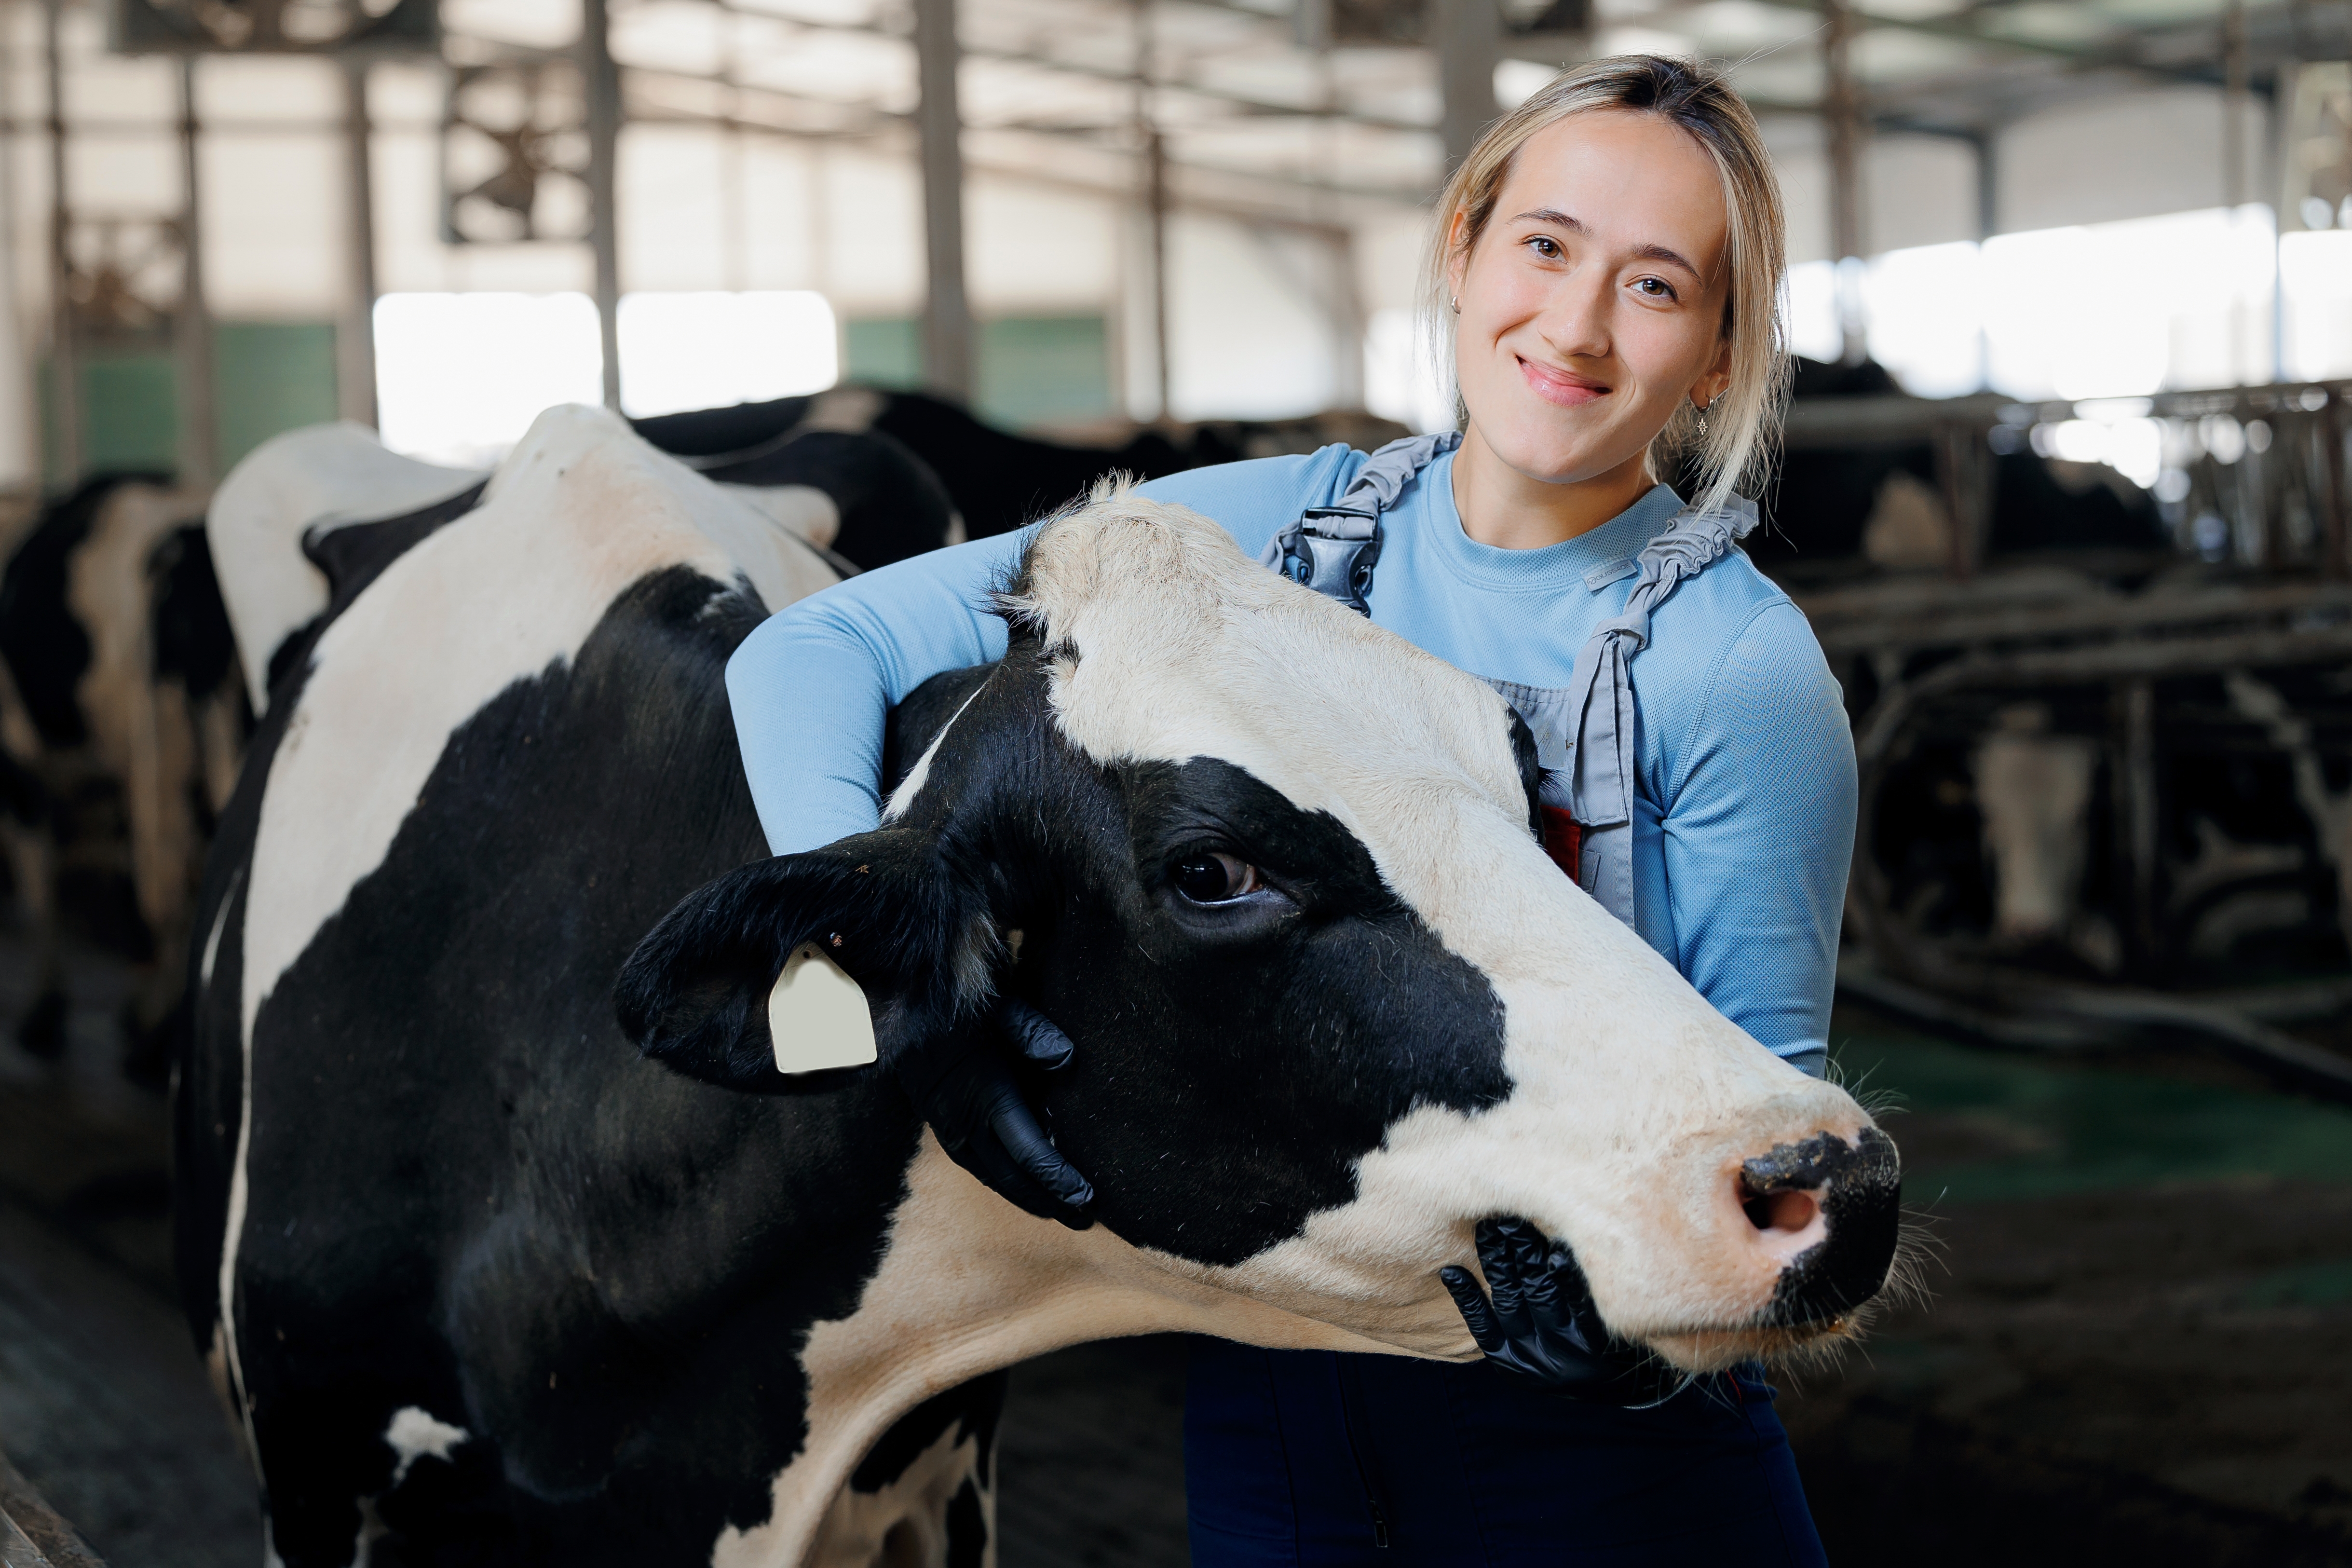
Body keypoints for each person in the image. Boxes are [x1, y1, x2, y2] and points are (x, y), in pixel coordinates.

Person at [725, 54, 1854, 1568]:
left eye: (1656, 286)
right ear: (1462, 251)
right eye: (1545, 246)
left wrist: (1628, 1326)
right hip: (1276, 1394)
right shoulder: (1276, 538)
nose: (1577, 325)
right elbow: (816, 646)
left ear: (1718, 354)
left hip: (1603, 1447)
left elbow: (1771, 1157)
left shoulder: (1740, 666)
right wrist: (902, 981)